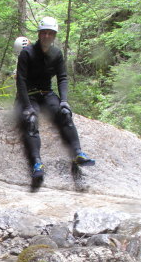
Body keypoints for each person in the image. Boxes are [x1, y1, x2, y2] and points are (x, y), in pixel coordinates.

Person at [15, 16, 95, 179]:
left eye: (50, 33)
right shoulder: (27, 53)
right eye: (43, 33)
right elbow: (21, 81)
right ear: (39, 34)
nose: (46, 36)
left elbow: (62, 77)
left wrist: (64, 101)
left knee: (64, 113)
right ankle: (37, 163)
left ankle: (78, 153)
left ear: (54, 35)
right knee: (30, 121)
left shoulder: (56, 54)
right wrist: (27, 107)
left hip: (46, 93)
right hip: (28, 95)